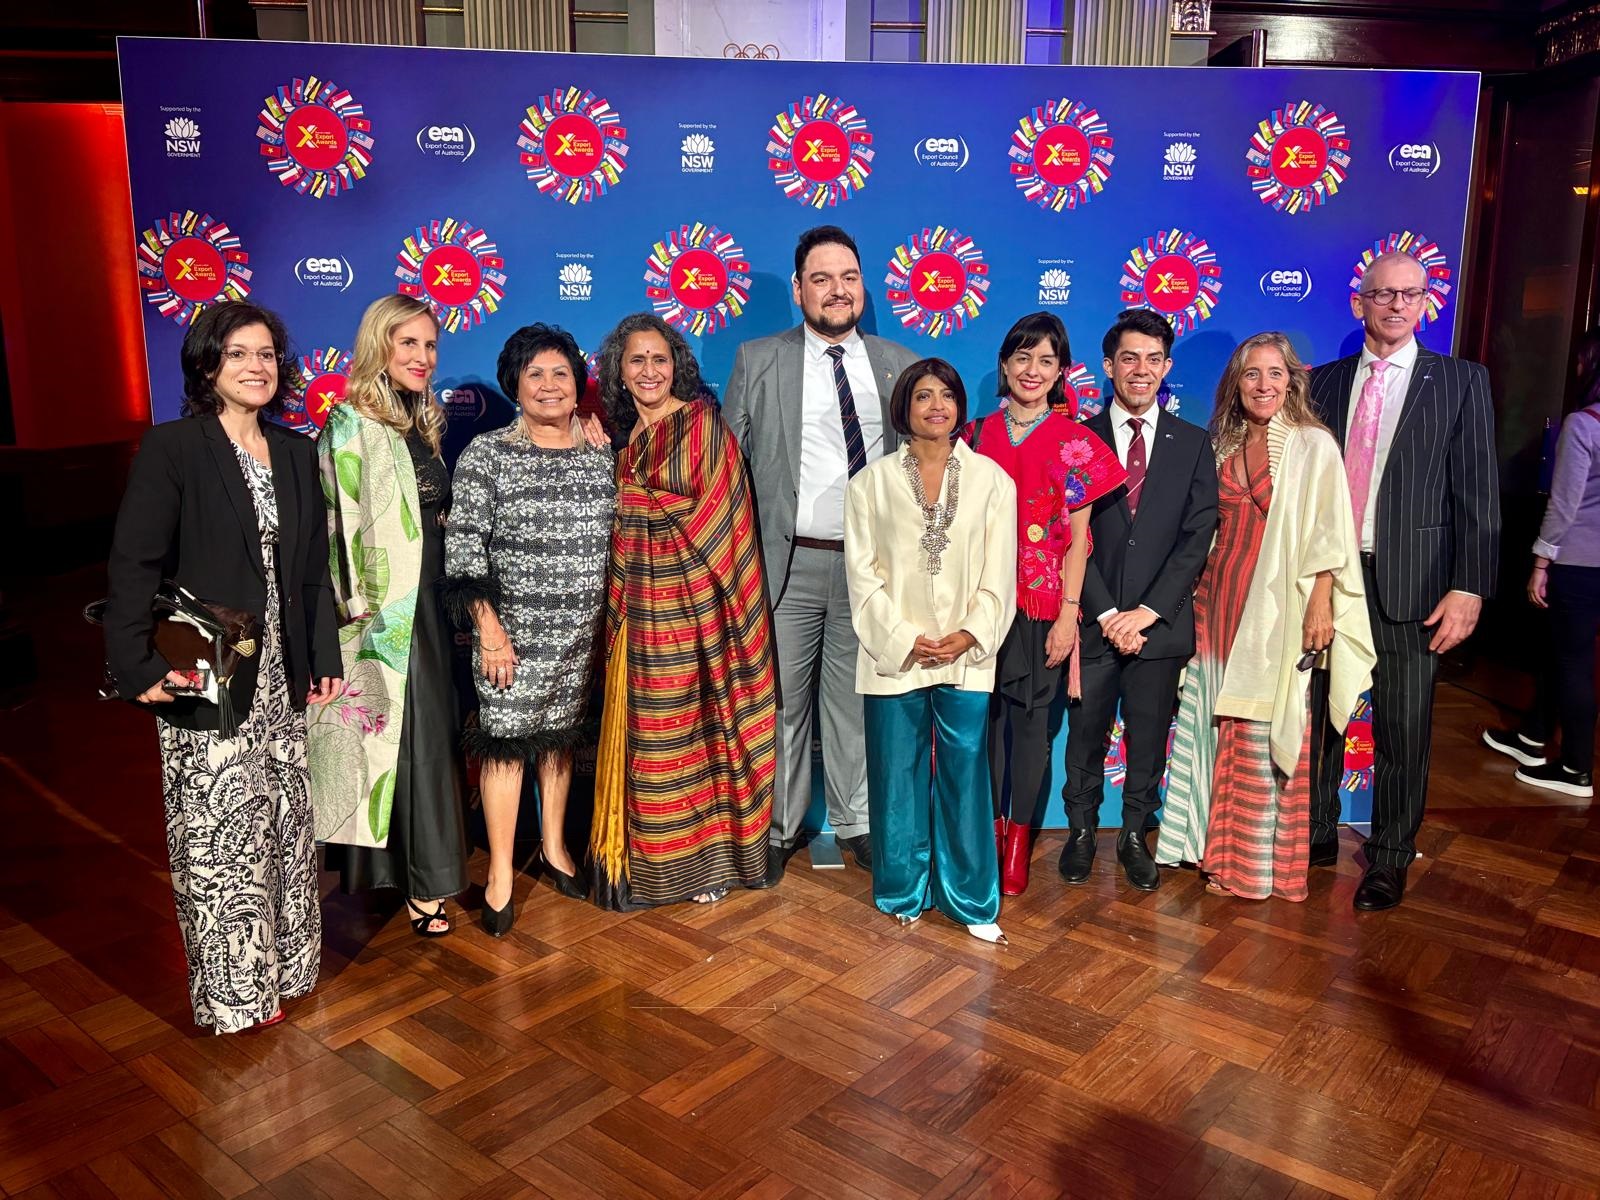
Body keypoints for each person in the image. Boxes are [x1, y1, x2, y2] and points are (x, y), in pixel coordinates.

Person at [104, 301, 342, 1033]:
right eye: (239, 353)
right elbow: (133, 564)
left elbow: (310, 573)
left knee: (284, 823)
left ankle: (291, 966)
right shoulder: (174, 449)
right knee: (218, 830)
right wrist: (133, 661)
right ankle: (237, 993)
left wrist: (324, 652)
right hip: (203, 666)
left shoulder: (298, 452)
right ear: (208, 365)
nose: (257, 366)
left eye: (267, 353)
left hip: (282, 671)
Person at [722, 225, 920, 883]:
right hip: (787, 566)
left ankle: (855, 824)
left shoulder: (897, 362)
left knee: (851, 705)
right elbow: (730, 465)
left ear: (863, 286)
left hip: (871, 570)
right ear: (801, 288)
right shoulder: (761, 359)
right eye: (821, 278)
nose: (837, 291)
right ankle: (778, 830)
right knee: (782, 706)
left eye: (848, 278)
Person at [1309, 251, 1500, 911]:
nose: (1394, 306)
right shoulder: (1322, 384)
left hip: (1413, 586)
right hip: (1329, 579)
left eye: (1408, 294)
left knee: (1403, 728)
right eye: (1382, 293)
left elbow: (1478, 493)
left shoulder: (1460, 382)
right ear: (1359, 301)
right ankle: (1314, 833)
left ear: (1426, 303)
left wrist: (1469, 585)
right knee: (1319, 720)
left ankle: (1389, 857)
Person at [1156, 333, 1376, 899]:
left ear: (1292, 381)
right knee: (1213, 728)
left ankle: (1253, 869)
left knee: (1259, 732)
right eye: (1252, 374)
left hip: (1276, 611)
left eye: (1275, 374)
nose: (1264, 385)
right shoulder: (1221, 444)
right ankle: (1209, 853)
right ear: (1237, 382)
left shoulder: (1313, 445)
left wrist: (1322, 602)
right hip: (1217, 603)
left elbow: (1332, 533)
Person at [589, 313, 777, 909]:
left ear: (678, 367)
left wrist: (630, 491)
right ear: (619, 371)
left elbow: (722, 518)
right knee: (651, 738)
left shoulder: (704, 428)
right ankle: (652, 862)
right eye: (637, 360)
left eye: (660, 359)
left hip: (702, 613)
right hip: (640, 617)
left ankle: (711, 862)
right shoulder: (619, 448)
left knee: (701, 731)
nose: (650, 371)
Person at [443, 324, 616, 933]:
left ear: (579, 384)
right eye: (534, 373)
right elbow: (464, 552)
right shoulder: (486, 455)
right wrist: (489, 629)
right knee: (505, 747)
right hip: (509, 639)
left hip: (580, 635)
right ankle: (498, 874)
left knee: (560, 739)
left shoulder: (603, 452)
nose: (548, 385)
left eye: (561, 373)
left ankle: (555, 847)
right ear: (514, 383)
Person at [309, 295, 468, 937]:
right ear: (380, 343)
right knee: (394, 742)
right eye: (409, 344)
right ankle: (411, 881)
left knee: (424, 741)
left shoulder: (420, 418)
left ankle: (416, 874)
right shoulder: (349, 422)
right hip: (380, 612)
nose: (423, 358)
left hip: (427, 602)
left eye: (430, 346)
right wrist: (357, 613)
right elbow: (334, 528)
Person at [844, 358, 1016, 942]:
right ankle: (901, 889)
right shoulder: (869, 484)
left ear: (961, 407)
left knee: (967, 775)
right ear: (904, 409)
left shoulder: (994, 481)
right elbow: (861, 578)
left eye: (947, 395)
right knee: (896, 776)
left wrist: (970, 633)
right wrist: (902, 638)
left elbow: (1001, 574)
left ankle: (970, 898)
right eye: (923, 396)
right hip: (896, 654)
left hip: (967, 653)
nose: (936, 406)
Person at [1060, 309, 1220, 890]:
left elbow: (1197, 535)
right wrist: (1105, 613)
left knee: (1150, 737)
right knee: (1085, 734)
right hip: (1093, 623)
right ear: (1108, 366)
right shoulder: (1078, 438)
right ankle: (1080, 831)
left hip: (1160, 627)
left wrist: (1148, 612)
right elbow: (1069, 536)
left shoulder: (1193, 444)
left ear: (1167, 367)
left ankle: (1134, 836)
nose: (1141, 370)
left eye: (1154, 359)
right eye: (1129, 358)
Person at [966, 312, 1124, 895]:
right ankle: (983, 834)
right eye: (1023, 357)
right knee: (981, 729)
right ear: (1005, 364)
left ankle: (1018, 846)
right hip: (978, 607)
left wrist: (1067, 615)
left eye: (1046, 361)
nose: (1033, 370)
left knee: (1031, 732)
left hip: (1041, 609)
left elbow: (1081, 541)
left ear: (1060, 372)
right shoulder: (972, 434)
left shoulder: (1077, 440)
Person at [1484, 333, 1600, 799]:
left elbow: (1565, 503)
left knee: (1572, 662)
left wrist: (1540, 560)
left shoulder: (1583, 423)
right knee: (1560, 654)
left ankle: (1575, 769)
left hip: (1576, 561)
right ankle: (1533, 735)